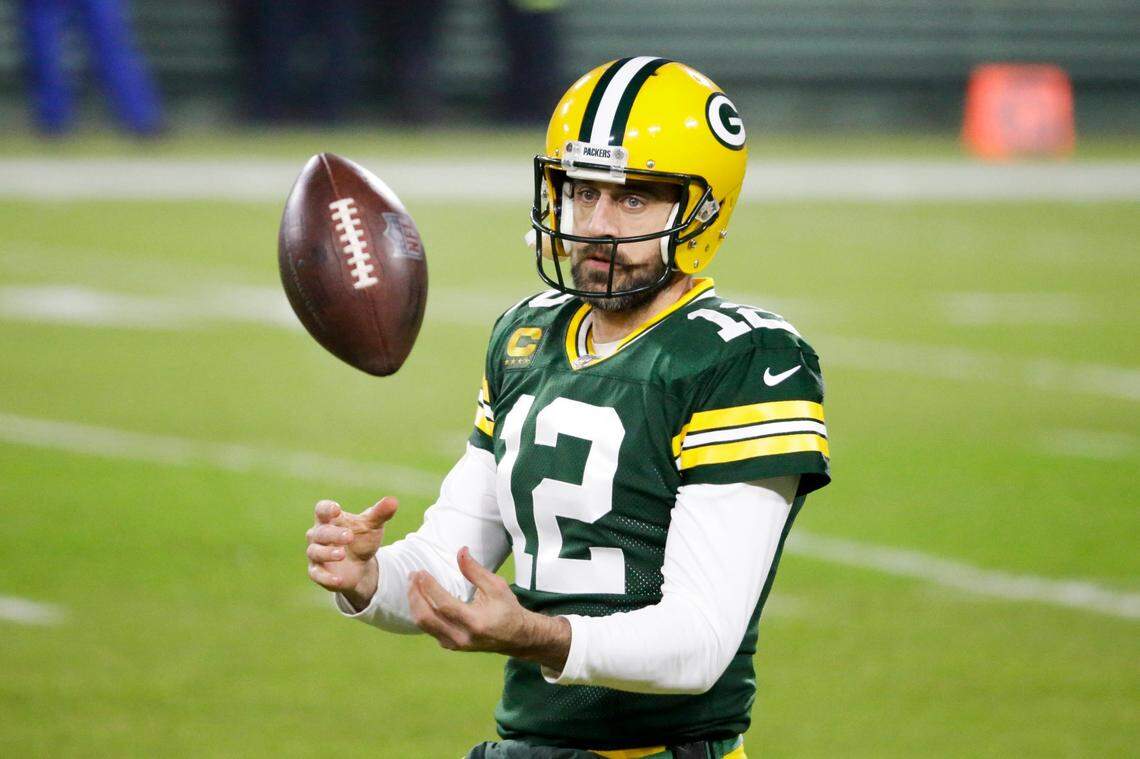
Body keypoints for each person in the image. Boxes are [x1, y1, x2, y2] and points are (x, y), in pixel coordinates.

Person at [306, 57, 831, 759]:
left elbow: (701, 641)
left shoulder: (742, 359)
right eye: (583, 192)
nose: (596, 226)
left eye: (634, 199)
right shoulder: (527, 335)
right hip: (528, 747)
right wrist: (372, 578)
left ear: (702, 211)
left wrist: (538, 634)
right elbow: (451, 560)